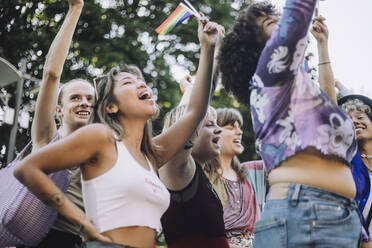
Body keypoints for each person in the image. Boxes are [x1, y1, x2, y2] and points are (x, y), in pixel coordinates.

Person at [14, 16, 220, 248]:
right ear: (111, 106)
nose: (141, 84)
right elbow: (27, 168)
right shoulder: (101, 137)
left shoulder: (151, 156)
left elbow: (195, 112)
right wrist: (79, 218)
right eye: (127, 83)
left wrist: (207, 47)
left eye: (141, 82)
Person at [219, 0, 361, 247]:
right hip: (305, 213)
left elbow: (329, 104)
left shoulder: (295, 92)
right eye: (272, 23)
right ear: (257, 48)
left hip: (338, 215)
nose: (283, 24)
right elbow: (298, 10)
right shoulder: (268, 75)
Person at [23, 0, 95, 246]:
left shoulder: (103, 151)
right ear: (59, 110)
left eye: (90, 99)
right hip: (41, 240)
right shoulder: (47, 138)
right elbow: (52, 75)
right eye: (75, 98)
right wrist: (75, 9)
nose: (84, 103)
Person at [310, 13, 372, 248]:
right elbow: (328, 102)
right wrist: (322, 44)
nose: (355, 121)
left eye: (361, 116)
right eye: (349, 118)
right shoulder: (347, 155)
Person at [159, 104, 228, 248]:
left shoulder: (198, 174)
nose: (219, 129)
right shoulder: (177, 168)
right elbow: (194, 111)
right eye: (209, 125)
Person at [204, 108, 262, 248]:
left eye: (239, 127)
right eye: (231, 127)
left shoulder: (252, 171)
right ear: (214, 132)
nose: (239, 132)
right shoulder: (202, 176)